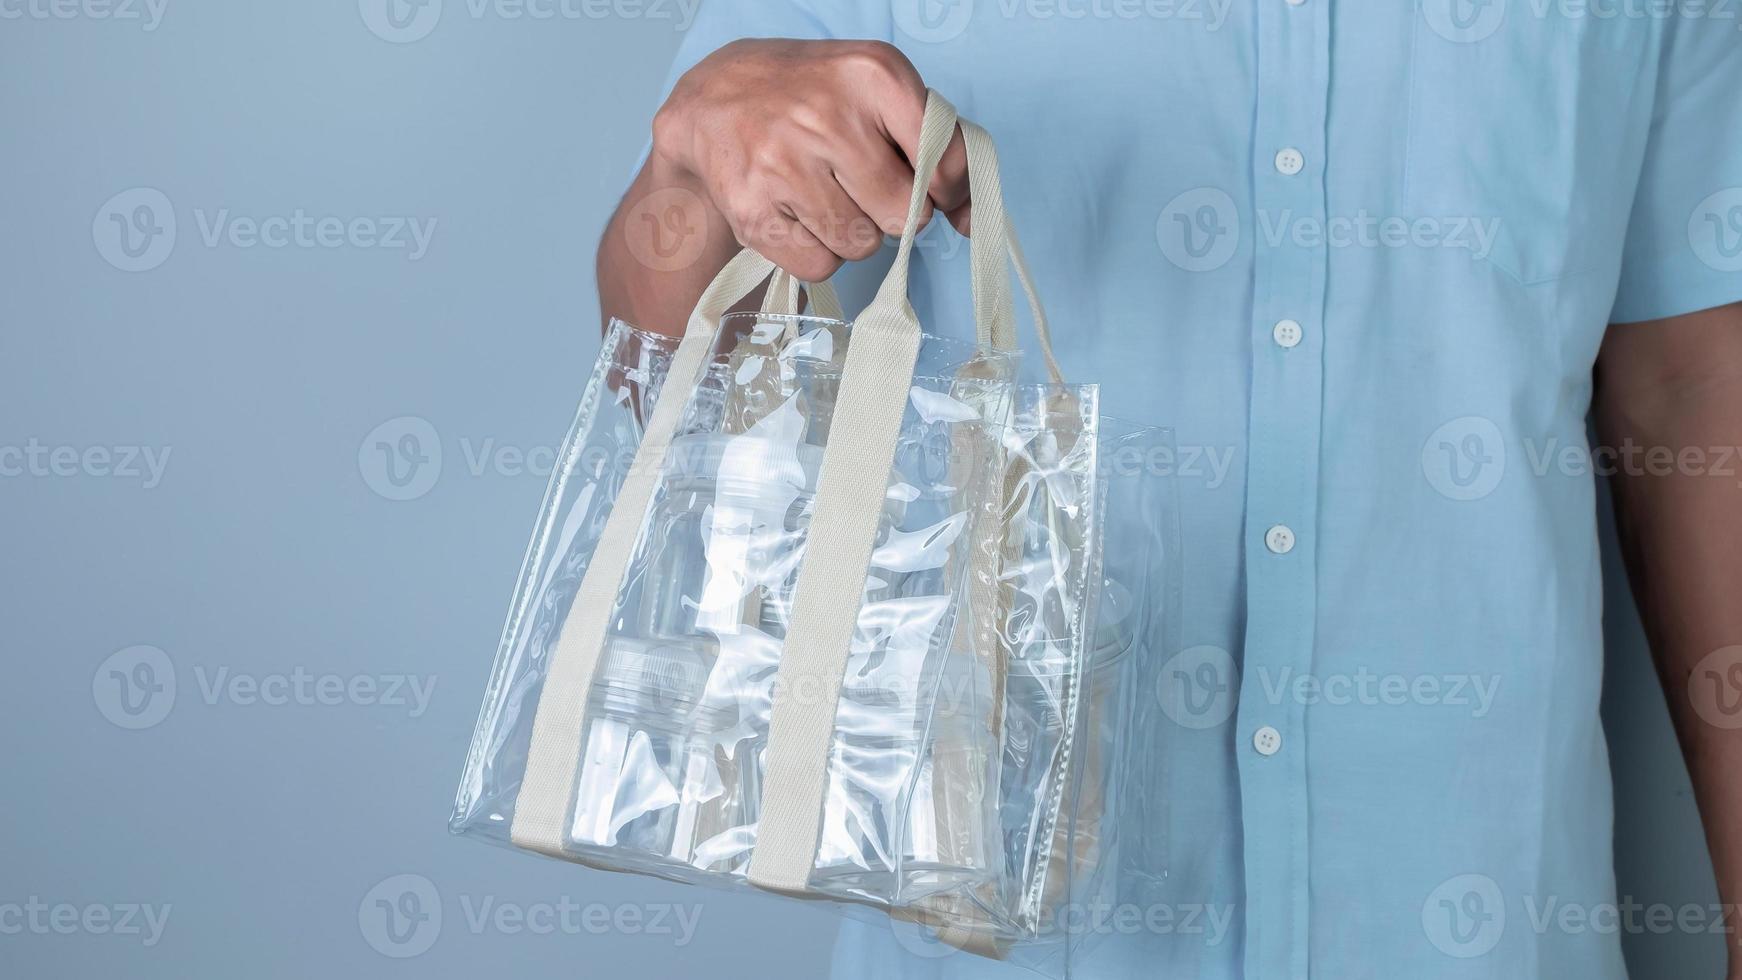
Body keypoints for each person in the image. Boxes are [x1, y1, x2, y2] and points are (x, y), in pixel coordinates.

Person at [595, 5, 1742, 978]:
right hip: (1011, 930)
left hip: (1484, 911)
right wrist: (689, 167)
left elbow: (1691, 397)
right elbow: (673, 369)